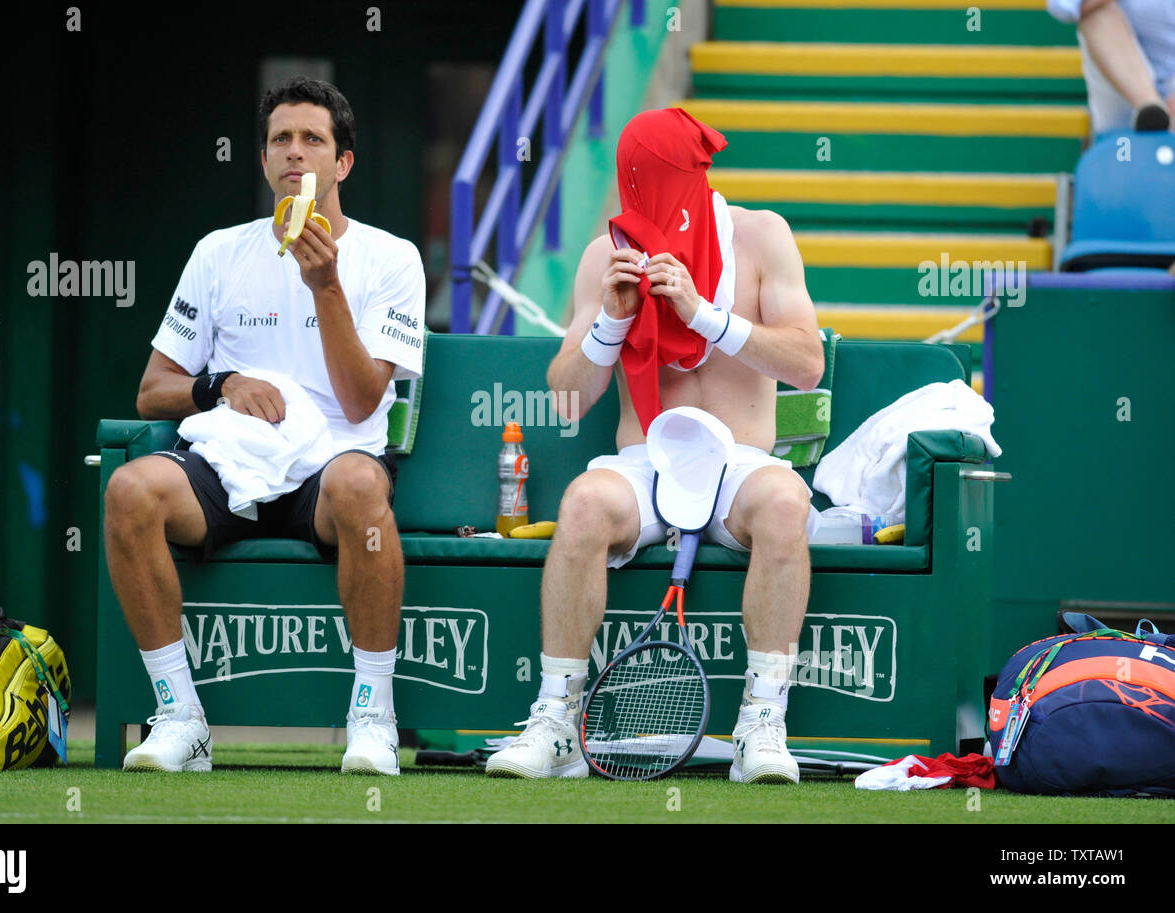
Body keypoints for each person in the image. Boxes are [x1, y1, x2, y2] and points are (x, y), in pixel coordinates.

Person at [484, 108, 823, 783]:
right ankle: (556, 721)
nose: (647, 198)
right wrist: (611, 322)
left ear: (696, 174)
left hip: (740, 462)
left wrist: (705, 316)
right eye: (635, 183)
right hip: (646, 460)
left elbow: (807, 362)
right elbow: (567, 393)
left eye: (660, 181)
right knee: (582, 504)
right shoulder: (604, 256)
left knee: (788, 502)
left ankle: (762, 720)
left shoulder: (762, 236)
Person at [103, 77, 425, 775]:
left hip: (332, 472)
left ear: (342, 163)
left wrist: (327, 287)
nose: (294, 154)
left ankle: (372, 717)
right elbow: (152, 391)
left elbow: (366, 402)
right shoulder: (219, 252)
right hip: (230, 466)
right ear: (262, 159)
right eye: (281, 139)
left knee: (363, 485)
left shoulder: (393, 257)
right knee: (128, 490)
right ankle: (179, 716)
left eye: (313, 140)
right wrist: (221, 385)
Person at [1048, 0, 1175, 132]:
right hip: (1119, 83)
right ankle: (1150, 106)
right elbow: (1063, 8)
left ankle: (1154, 112)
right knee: (1098, 15)